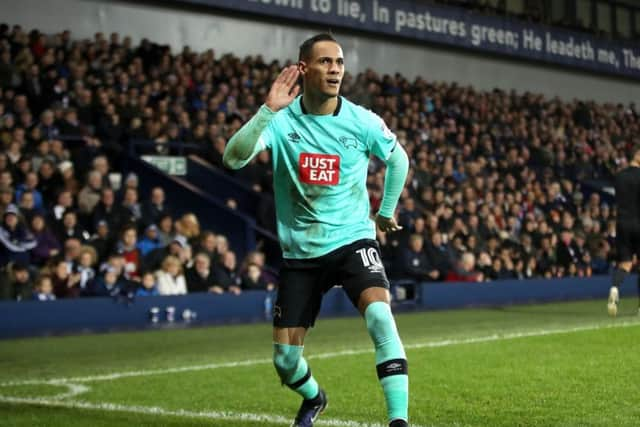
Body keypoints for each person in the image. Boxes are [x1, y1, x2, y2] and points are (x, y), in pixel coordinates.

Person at [223, 34, 410, 427]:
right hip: (301, 254)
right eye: (325, 62)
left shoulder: (362, 121)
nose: (335, 69)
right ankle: (314, 397)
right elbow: (233, 158)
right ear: (304, 68)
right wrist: (266, 110)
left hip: (353, 238)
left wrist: (384, 212)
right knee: (285, 362)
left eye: (339, 62)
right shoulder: (281, 120)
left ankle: (398, 421)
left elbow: (399, 160)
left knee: (380, 315)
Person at [607, 144, 640, 317]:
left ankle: (614, 288)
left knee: (625, 263)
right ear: (637, 155)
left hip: (622, 223)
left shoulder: (619, 177)